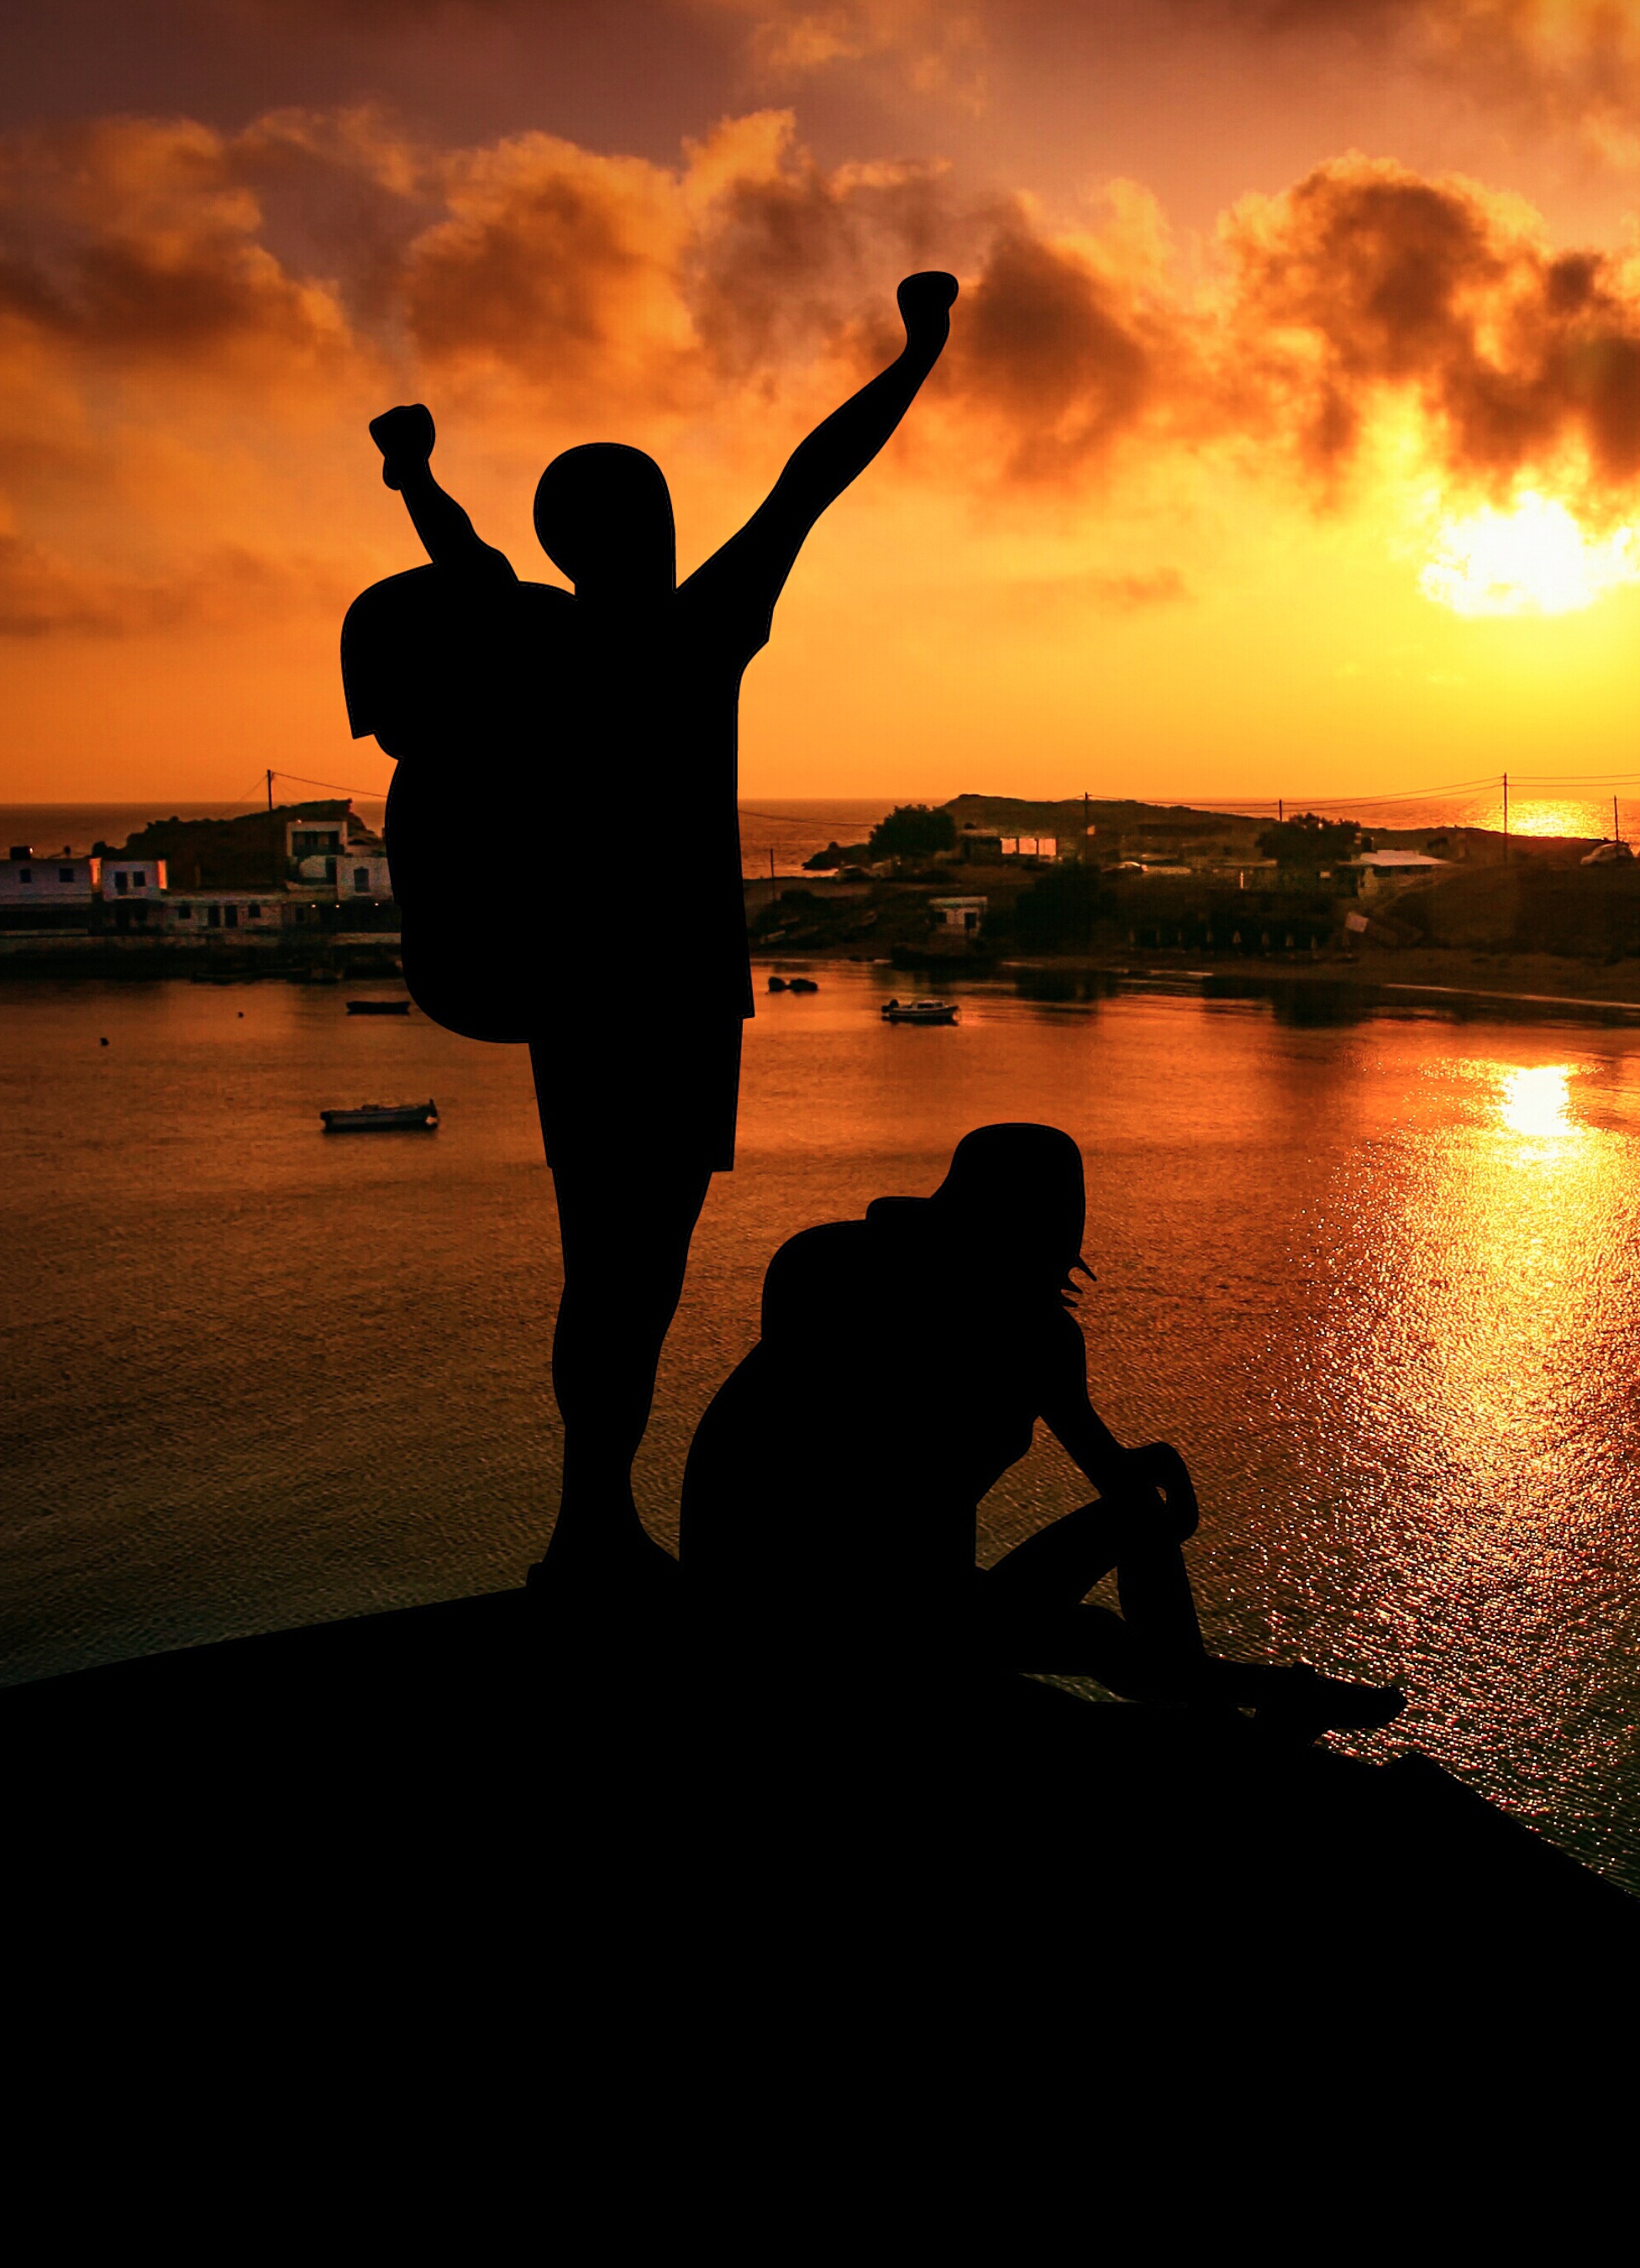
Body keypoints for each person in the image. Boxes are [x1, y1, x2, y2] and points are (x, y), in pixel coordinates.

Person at [359, 270, 956, 1590]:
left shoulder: (535, 643)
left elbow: (467, 561)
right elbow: (815, 477)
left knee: (604, 1263)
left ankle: (590, 1514)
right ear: (650, 530)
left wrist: (413, 473)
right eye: (661, 511)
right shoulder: (697, 635)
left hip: (575, 994)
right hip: (678, 995)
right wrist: (919, 353)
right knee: (647, 1268)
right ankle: (593, 1526)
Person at [681, 1124, 1406, 1735]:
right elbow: (854, 1478)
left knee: (1113, 1573)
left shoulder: (822, 1261)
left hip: (781, 1582)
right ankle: (1249, 1702)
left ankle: (1242, 1699)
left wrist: (1147, 1467)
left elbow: (1099, 1479)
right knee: (1095, 1632)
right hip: (822, 1616)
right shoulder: (1024, 1332)